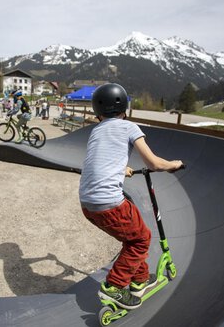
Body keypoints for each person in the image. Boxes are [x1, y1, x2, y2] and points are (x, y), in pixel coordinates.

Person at [79, 83, 183, 310]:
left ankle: (140, 280)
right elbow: (154, 163)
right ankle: (113, 287)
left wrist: (122, 169)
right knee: (140, 240)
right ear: (124, 108)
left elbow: (101, 159)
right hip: (109, 203)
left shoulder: (96, 130)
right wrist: (173, 164)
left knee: (132, 236)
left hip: (88, 204)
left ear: (98, 113)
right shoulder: (129, 127)